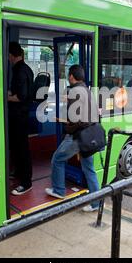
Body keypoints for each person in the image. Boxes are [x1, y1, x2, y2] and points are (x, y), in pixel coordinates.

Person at [45, 65, 101, 212]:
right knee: (89, 169)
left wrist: (66, 128)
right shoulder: (87, 90)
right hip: (90, 136)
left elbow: (74, 119)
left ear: (71, 76)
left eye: (68, 76)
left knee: (57, 159)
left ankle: (58, 190)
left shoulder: (74, 92)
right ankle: (96, 203)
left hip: (78, 136)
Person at [8, 42, 35, 196]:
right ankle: (19, 172)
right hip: (19, 115)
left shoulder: (20, 71)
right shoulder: (24, 69)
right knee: (17, 146)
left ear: (11, 55)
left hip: (20, 115)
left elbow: (21, 96)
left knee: (22, 148)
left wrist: (6, 97)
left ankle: (26, 182)